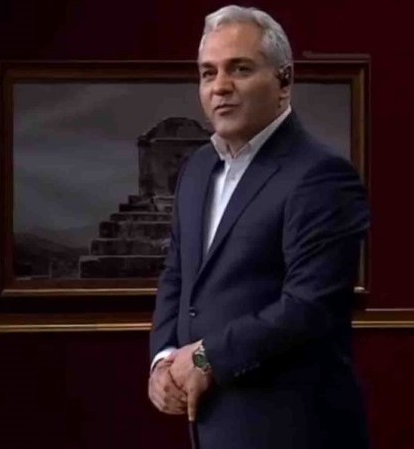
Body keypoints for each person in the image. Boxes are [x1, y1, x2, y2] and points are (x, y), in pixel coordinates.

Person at [148, 5, 370, 449]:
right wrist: (163, 359)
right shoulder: (196, 169)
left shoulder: (321, 175)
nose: (220, 86)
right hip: (212, 425)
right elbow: (177, 273)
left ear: (284, 82)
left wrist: (205, 358)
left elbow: (308, 307)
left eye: (240, 69)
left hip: (294, 429)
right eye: (208, 73)